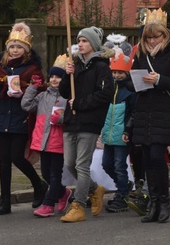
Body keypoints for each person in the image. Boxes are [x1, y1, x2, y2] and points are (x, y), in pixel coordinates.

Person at [127, 10, 170, 223]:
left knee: (156, 156)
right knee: (147, 159)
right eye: (148, 38)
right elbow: (129, 81)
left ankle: (164, 202)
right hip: (145, 111)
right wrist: (137, 82)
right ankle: (153, 203)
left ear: (165, 35)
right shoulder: (140, 54)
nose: (152, 41)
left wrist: (160, 80)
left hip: (166, 111)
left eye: (156, 37)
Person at [0, 22, 48, 216]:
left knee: (17, 157)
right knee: (4, 160)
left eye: (19, 47)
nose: (15, 50)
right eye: (12, 47)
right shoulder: (0, 68)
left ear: (26, 49)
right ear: (7, 48)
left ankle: (39, 184)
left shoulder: (32, 69)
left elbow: (39, 90)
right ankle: (5, 202)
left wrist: (25, 93)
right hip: (2, 116)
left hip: (21, 116)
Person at [59, 26, 114, 223]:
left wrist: (81, 104)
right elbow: (66, 93)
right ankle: (94, 188)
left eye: (84, 41)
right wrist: (68, 75)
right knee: (70, 163)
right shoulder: (75, 65)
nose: (80, 44)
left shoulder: (101, 67)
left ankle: (79, 205)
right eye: (79, 41)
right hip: (71, 121)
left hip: (89, 122)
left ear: (93, 44)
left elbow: (105, 94)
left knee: (82, 165)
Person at [21, 54, 72, 218]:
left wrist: (62, 119)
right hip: (43, 141)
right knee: (45, 173)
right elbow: (26, 105)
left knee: (55, 174)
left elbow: (72, 116)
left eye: (59, 77)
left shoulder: (67, 98)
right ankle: (64, 193)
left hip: (58, 142)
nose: (55, 80)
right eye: (52, 76)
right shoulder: (43, 96)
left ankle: (48, 204)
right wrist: (33, 87)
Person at [101, 47, 136, 213]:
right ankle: (125, 185)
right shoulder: (109, 89)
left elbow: (133, 113)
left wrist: (128, 131)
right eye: (114, 72)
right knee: (106, 164)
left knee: (119, 166)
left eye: (120, 73)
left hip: (123, 135)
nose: (116, 76)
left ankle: (122, 196)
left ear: (127, 73)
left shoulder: (130, 91)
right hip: (109, 134)